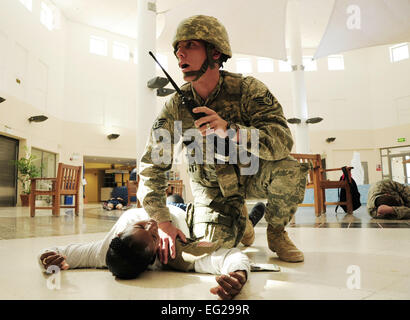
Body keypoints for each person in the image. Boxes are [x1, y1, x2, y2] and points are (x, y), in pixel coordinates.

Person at [138, 15, 308, 265]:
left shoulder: (248, 90)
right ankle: (244, 223)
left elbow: (282, 141)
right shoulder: (175, 107)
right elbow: (153, 165)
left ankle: (276, 233)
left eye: (190, 46)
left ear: (215, 53)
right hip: (211, 187)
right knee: (211, 248)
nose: (179, 54)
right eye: (177, 48)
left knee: (290, 169)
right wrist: (162, 222)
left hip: (251, 174)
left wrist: (232, 130)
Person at [37, 205, 250, 300]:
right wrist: (238, 274)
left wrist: (48, 260)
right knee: (240, 235)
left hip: (164, 203)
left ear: (120, 233)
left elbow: (60, 252)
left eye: (140, 227)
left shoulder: (103, 250)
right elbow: (230, 256)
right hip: (187, 213)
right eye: (154, 237)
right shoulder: (173, 256)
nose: (151, 225)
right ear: (154, 255)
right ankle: (250, 221)